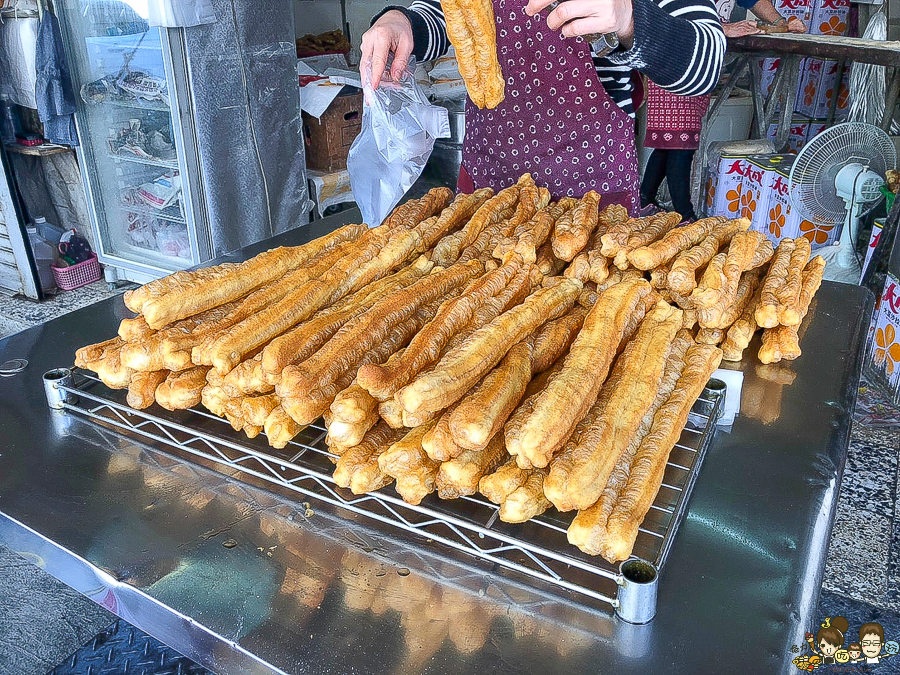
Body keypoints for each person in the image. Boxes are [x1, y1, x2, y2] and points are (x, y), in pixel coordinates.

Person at [361, 0, 726, 213]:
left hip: (591, 206)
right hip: (490, 196)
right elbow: (446, 15)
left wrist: (629, 19)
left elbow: (707, 63)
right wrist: (401, 21)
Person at [639, 0, 805, 221]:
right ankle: (685, 216)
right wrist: (721, 27)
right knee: (681, 142)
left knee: (672, 140)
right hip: (676, 53)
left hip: (701, 55)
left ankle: (643, 200)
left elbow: (752, 1)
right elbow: (671, 12)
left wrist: (781, 23)